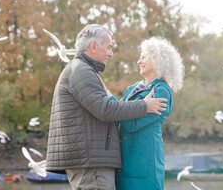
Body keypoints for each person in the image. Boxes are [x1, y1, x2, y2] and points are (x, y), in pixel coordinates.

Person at [45, 24, 168, 190]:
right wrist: (144, 105)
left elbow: (105, 107)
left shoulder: (80, 69)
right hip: (91, 162)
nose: (111, 54)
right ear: (94, 46)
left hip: (91, 160)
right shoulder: (81, 70)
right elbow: (106, 110)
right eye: (108, 48)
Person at [115, 37, 185, 190]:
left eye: (144, 57)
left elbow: (129, 123)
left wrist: (110, 101)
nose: (139, 61)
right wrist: (105, 96)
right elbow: (117, 113)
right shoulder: (134, 87)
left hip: (143, 167)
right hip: (125, 163)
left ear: (158, 60)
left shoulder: (162, 91)